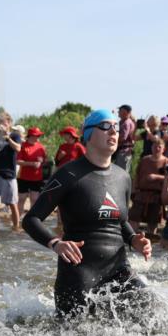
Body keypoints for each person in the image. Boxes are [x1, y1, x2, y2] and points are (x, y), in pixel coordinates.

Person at [22, 108, 152, 317]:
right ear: (88, 134)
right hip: (79, 274)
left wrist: (133, 239)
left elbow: (120, 221)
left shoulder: (123, 177)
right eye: (105, 126)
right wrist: (56, 243)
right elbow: (31, 219)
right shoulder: (68, 174)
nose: (113, 131)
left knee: (149, 307)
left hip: (118, 270)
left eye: (116, 127)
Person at [0, 115, 22, 229]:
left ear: (10, 123)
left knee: (12, 203)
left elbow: (18, 148)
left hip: (9, 174)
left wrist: (7, 137)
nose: (1, 124)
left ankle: (16, 228)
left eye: (4, 122)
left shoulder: (15, 135)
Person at [130, 138, 168, 237]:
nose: (157, 148)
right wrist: (133, 191)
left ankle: (150, 240)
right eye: (155, 146)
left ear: (163, 149)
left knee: (153, 222)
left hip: (156, 196)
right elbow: (137, 175)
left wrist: (156, 177)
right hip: (141, 194)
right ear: (151, 147)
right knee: (133, 218)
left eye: (159, 147)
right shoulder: (144, 160)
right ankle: (131, 238)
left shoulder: (167, 162)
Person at [17, 127, 47, 211]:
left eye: (38, 135)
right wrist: (32, 164)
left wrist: (42, 162)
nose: (38, 137)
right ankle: (18, 218)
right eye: (36, 135)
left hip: (37, 178)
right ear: (30, 136)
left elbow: (45, 161)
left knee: (34, 199)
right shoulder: (23, 146)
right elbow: (18, 161)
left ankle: (31, 218)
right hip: (24, 177)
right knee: (21, 199)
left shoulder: (41, 147)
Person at [114, 104, 136, 172]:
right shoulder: (123, 122)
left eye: (120, 110)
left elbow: (123, 137)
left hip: (124, 151)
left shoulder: (126, 123)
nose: (118, 112)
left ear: (125, 112)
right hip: (122, 151)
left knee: (121, 172)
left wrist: (113, 139)